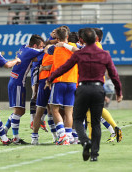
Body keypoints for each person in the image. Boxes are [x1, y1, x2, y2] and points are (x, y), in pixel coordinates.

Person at [46, 28, 123, 161]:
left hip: (83, 88)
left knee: (77, 119)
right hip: (98, 90)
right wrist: (118, 92)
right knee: (95, 123)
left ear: (81, 40)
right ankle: (94, 154)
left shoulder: (79, 54)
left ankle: (84, 140)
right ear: (96, 39)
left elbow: (64, 68)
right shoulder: (104, 54)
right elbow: (114, 74)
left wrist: (50, 78)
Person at [4, 34, 44, 144]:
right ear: (35, 46)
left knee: (20, 111)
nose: (41, 48)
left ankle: (4, 131)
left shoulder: (24, 47)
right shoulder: (31, 51)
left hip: (15, 81)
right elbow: (45, 52)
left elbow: (34, 57)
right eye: (40, 46)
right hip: (17, 82)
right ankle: (15, 138)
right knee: (18, 111)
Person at [46, 27, 79, 145]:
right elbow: (78, 50)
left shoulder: (54, 49)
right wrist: (64, 44)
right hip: (72, 82)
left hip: (59, 81)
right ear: (68, 36)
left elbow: (46, 49)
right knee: (69, 111)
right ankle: (69, 136)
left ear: (57, 38)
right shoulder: (73, 46)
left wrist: (53, 40)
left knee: (54, 109)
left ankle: (62, 135)